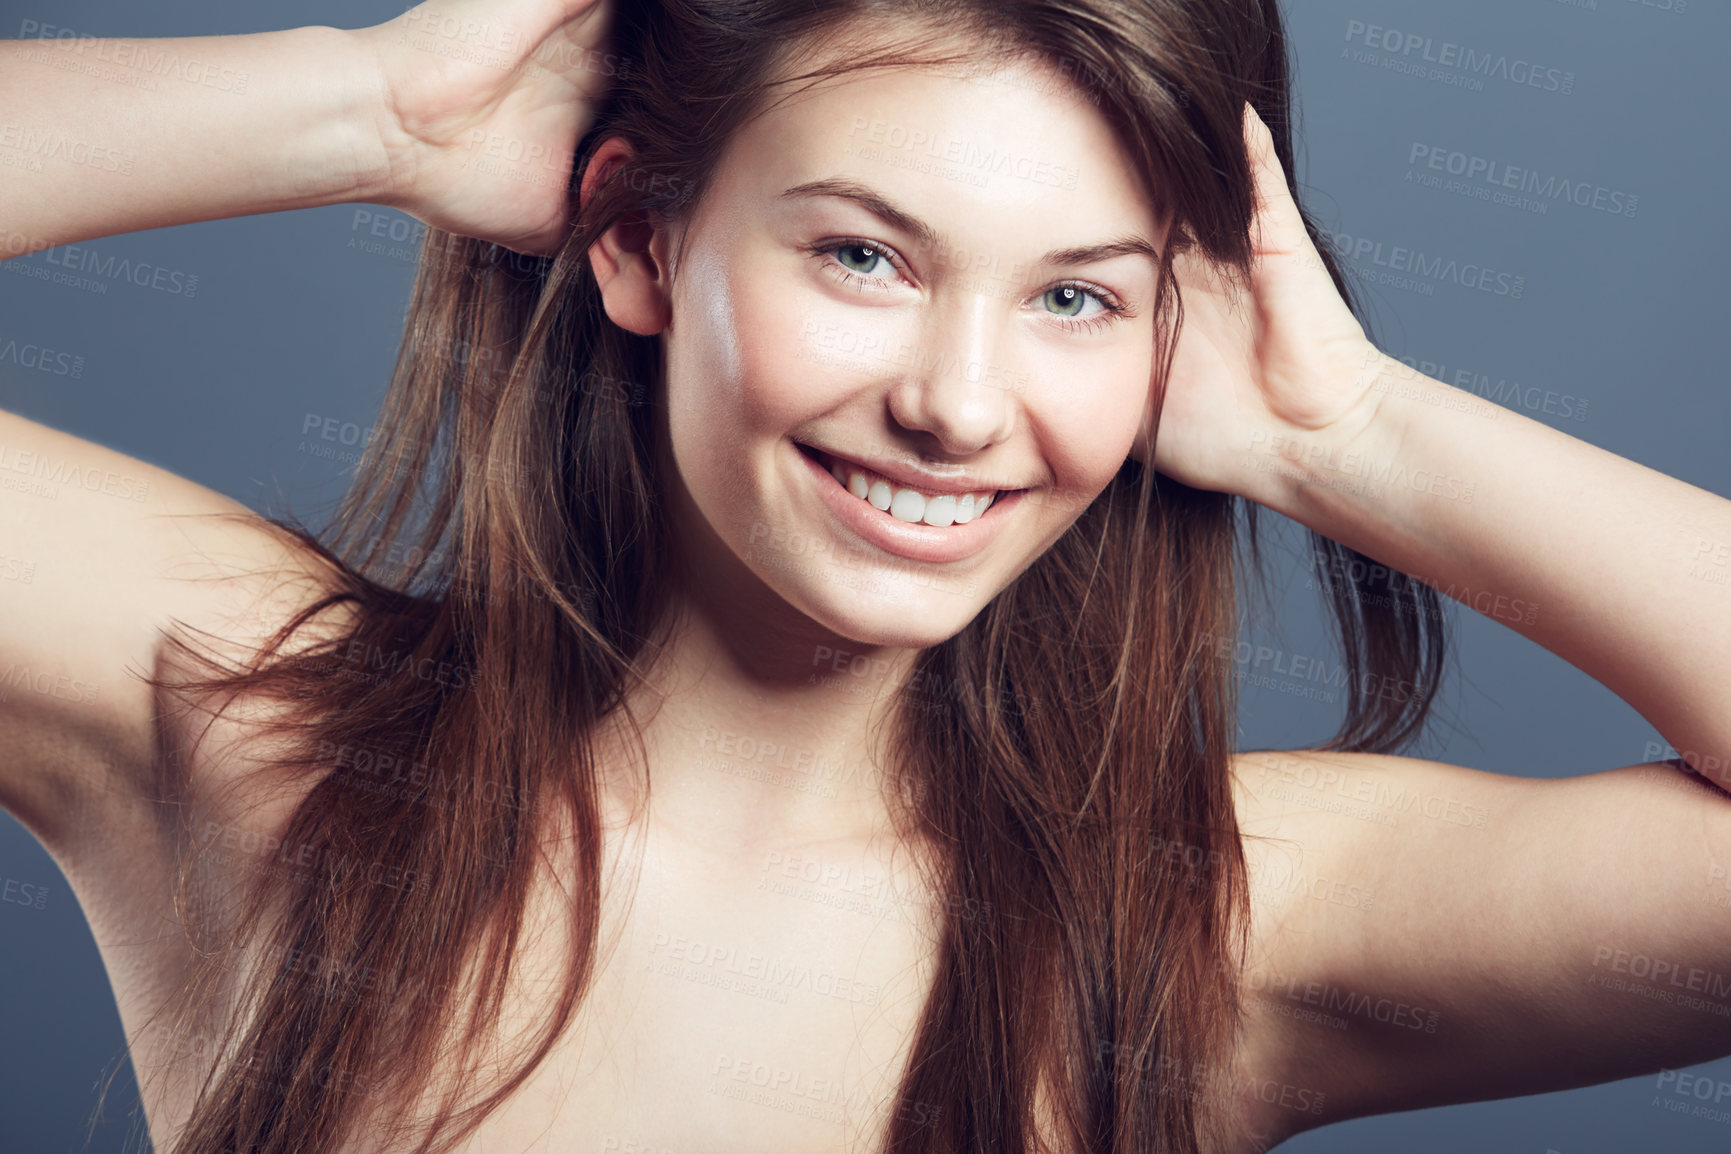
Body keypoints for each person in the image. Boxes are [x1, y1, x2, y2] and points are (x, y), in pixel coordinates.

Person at [2, 0, 1729, 1151]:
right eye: (862, 252)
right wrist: (371, 109)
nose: (957, 404)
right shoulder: (254, 722)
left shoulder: (1202, 924)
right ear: (638, 234)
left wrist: (1349, 431)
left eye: (1074, 295)